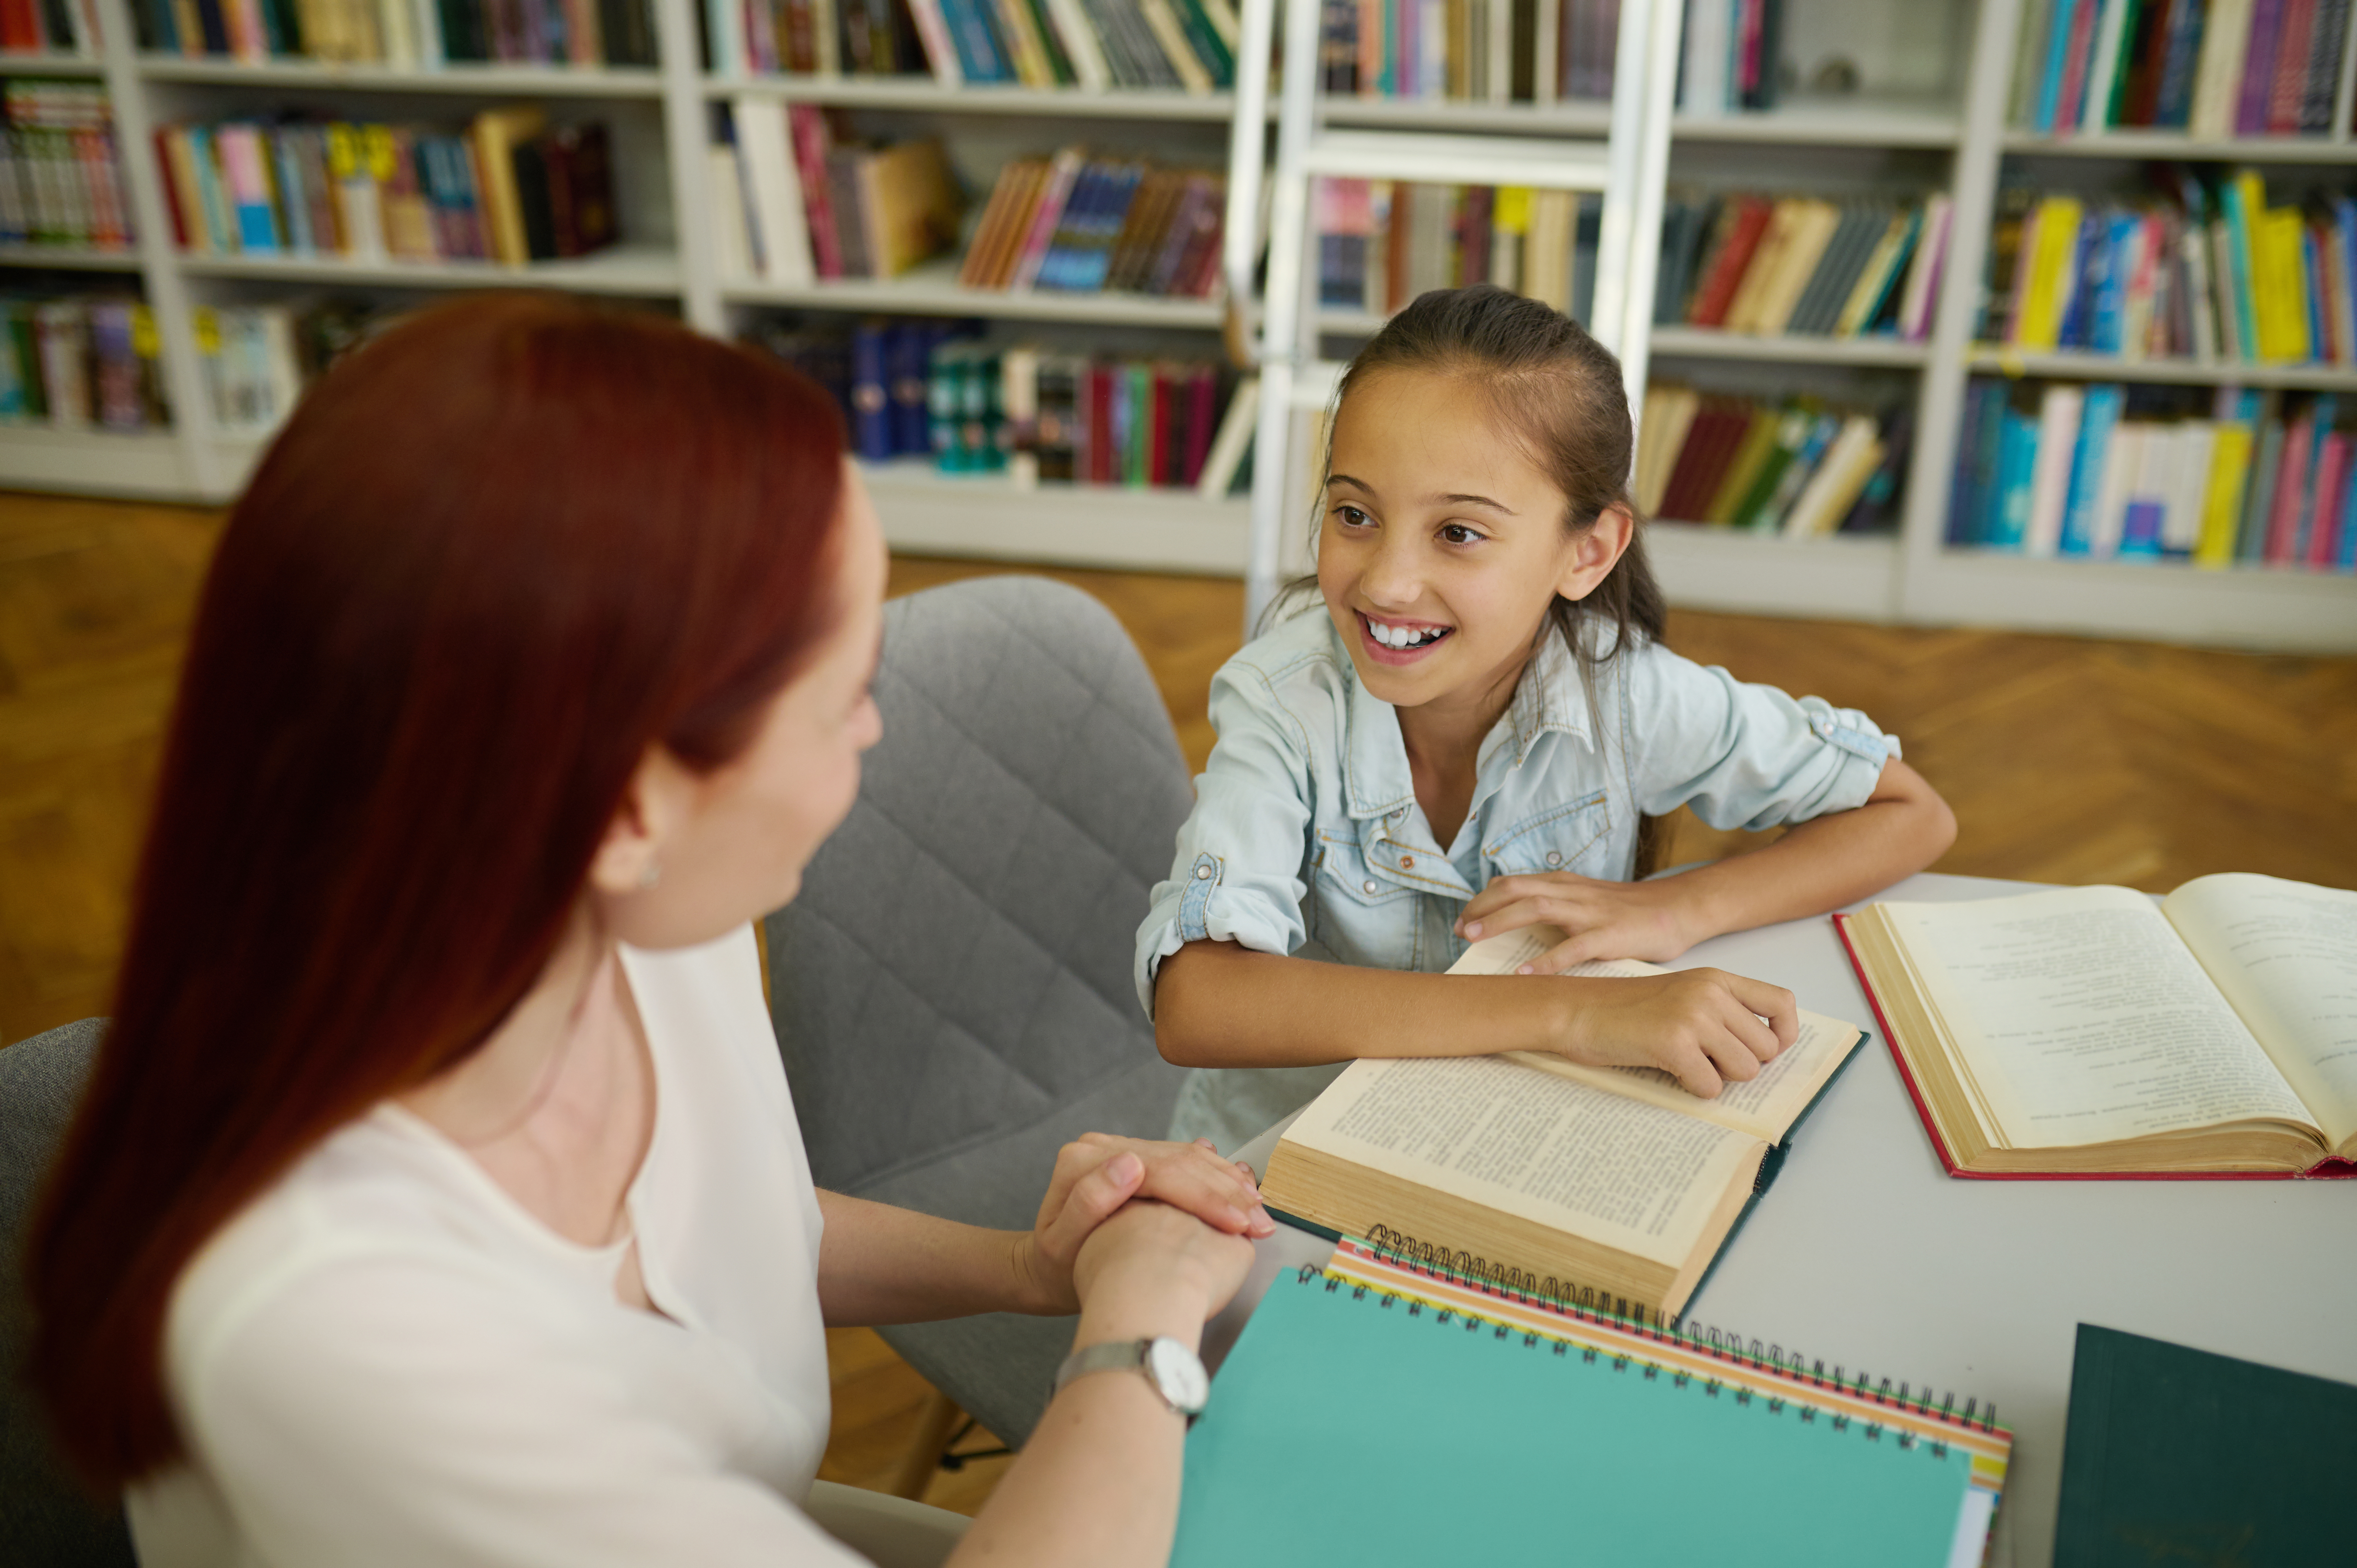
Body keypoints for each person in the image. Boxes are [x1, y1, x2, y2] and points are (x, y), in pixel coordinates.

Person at [27, 294, 1266, 1568]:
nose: (874, 731)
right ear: (628, 808)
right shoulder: (344, 1331)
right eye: (841, 696)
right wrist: (1139, 1335)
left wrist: (1030, 1265)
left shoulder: (637, 907)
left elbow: (726, 1220)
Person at [1139, 285, 1958, 1153]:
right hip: (1287, 1156)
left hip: (1520, 1144)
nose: (1385, 582)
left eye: (1458, 532)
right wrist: (1572, 1011)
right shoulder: (1283, 701)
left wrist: (1678, 909)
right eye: (1355, 514)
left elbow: (1912, 813)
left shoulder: (1628, 695)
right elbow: (1197, 1003)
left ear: (1587, 551)